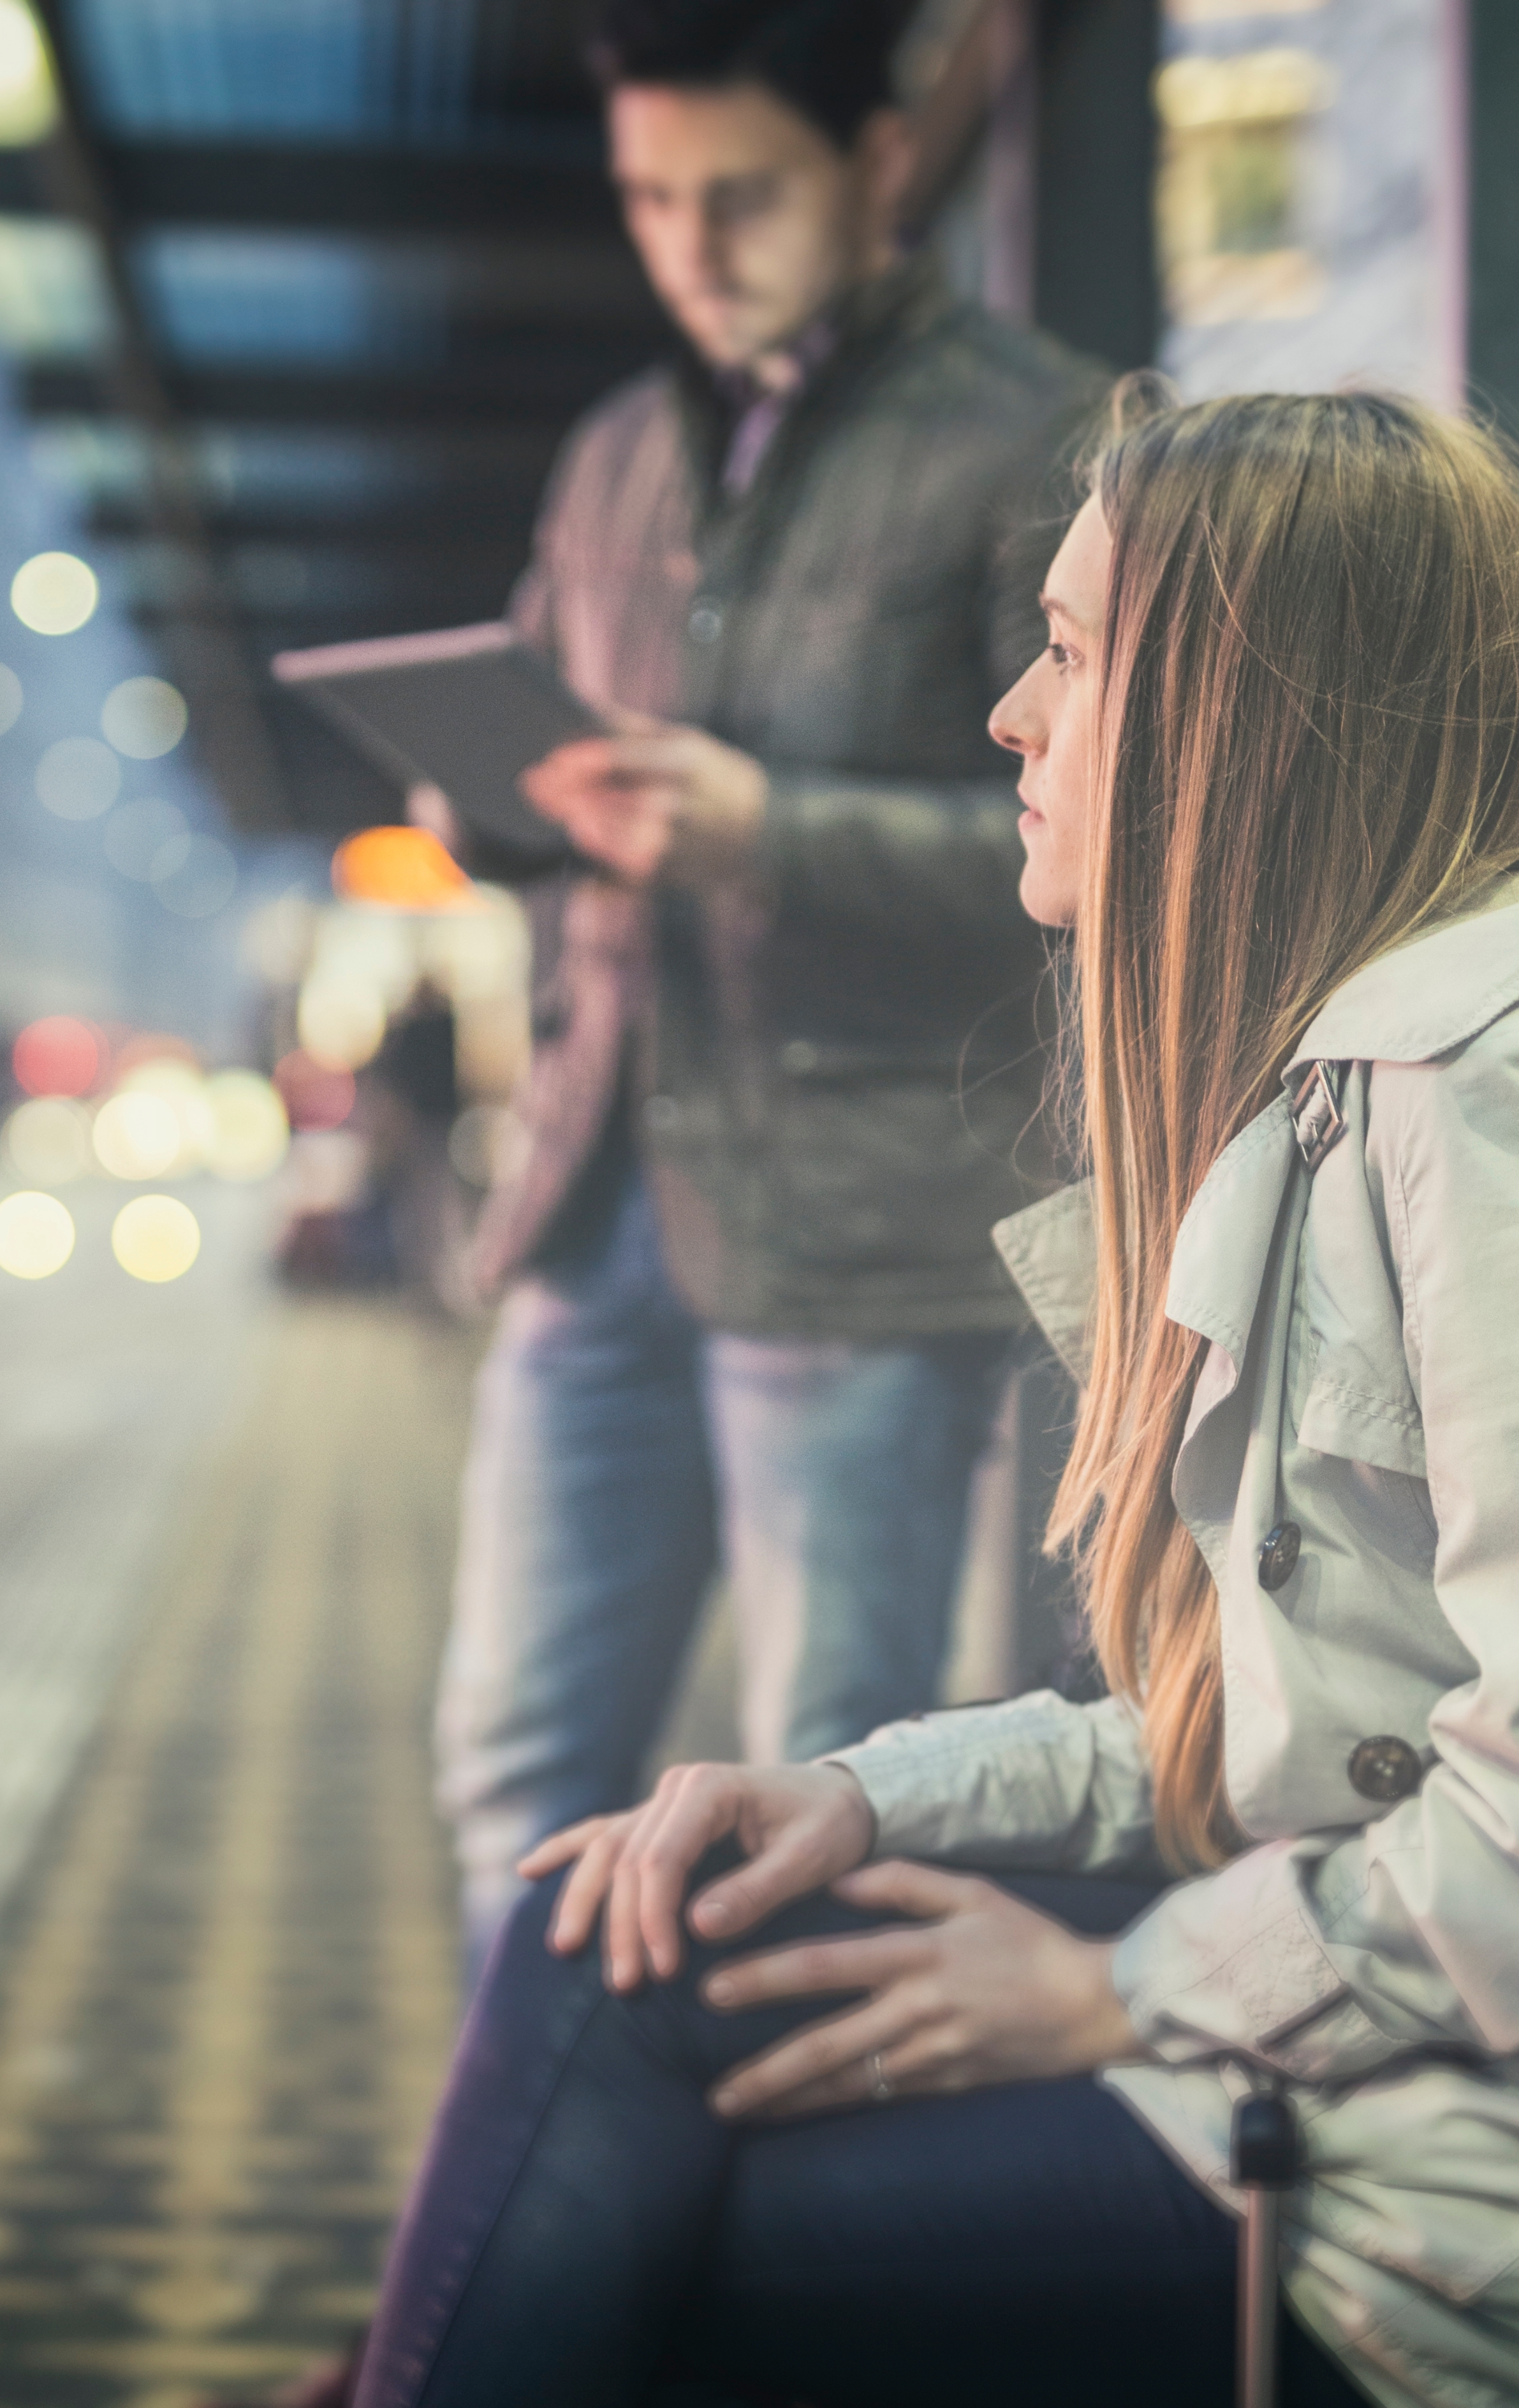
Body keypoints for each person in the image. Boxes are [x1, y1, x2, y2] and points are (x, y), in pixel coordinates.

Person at [339, 387, 1519, 2406]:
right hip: (1394, 2089)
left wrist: (1115, 1992)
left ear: (1246, 712)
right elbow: (1271, 1740)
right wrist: (853, 1793)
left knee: (672, 2248)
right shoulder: (1346, 1092)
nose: (1009, 711)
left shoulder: (1518, 1107)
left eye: (1077, 651)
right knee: (625, 1921)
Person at [426, 0, 1110, 1956]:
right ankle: (535, 2196)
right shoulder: (623, 450)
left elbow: (1091, 850)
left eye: (742, 197)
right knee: (517, 1761)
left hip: (857, 1231)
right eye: (653, 200)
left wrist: (764, 829)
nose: (690, 246)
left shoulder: (1042, 432)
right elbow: (539, 757)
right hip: (596, 1202)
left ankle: (786, 2241)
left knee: (834, 1782)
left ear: (881, 168)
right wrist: (488, 795)